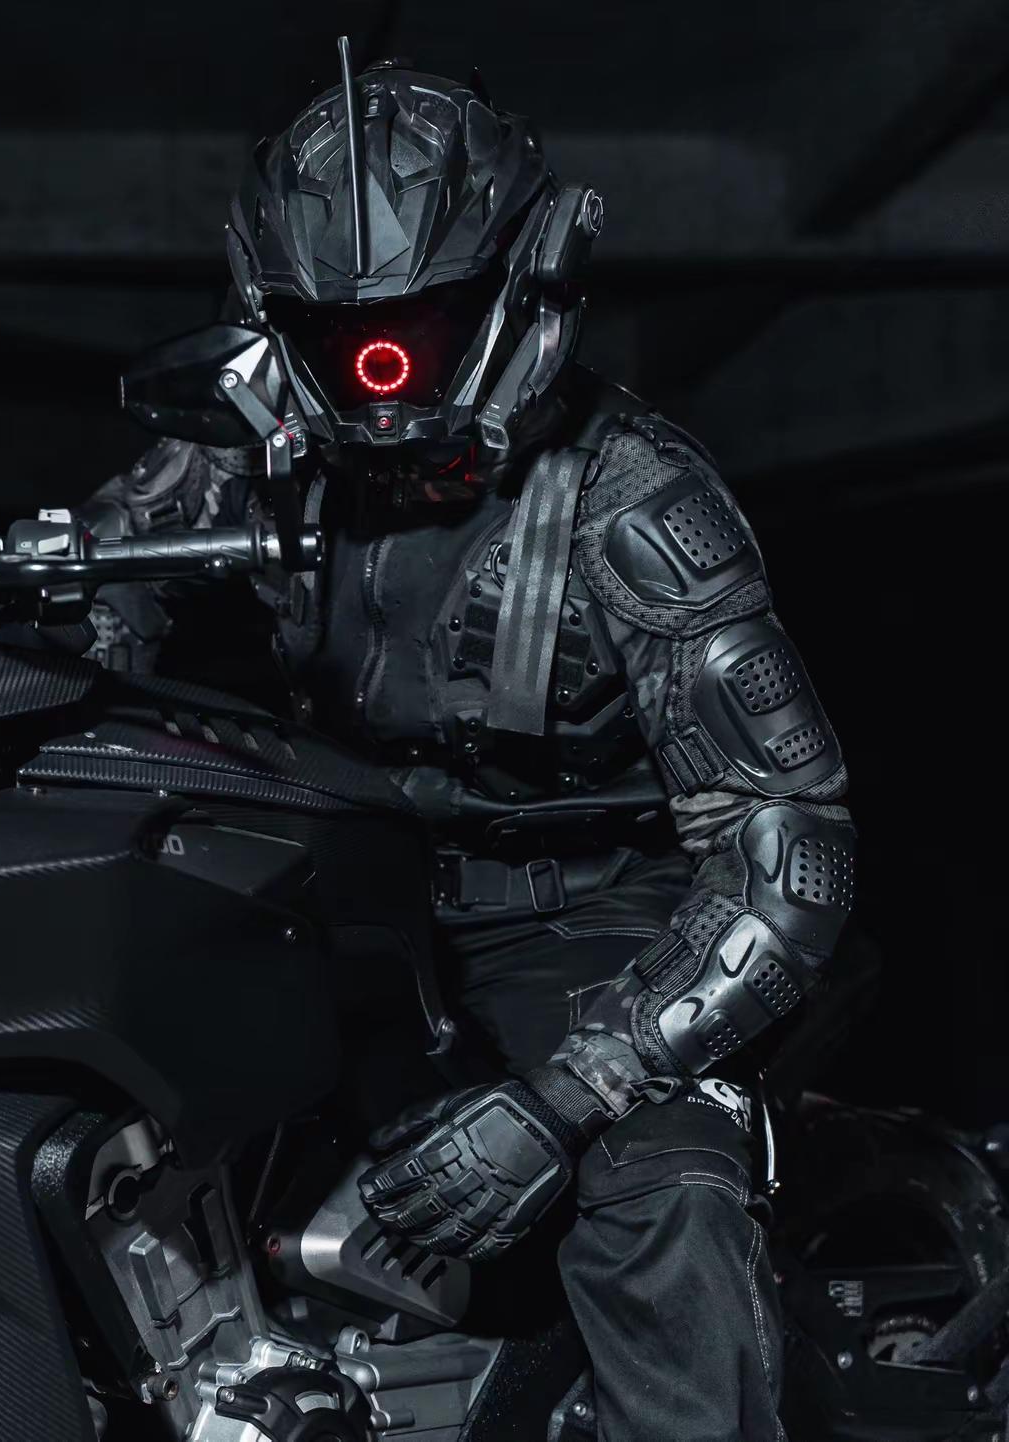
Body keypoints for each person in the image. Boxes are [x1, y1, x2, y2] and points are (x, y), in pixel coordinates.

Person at [80, 53, 852, 1440]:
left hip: (598, 925)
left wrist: (566, 1099)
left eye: (417, 329)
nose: (379, 380)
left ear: (523, 281)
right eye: (337, 338)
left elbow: (787, 857)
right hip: (341, 905)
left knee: (661, 1195)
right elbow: (89, 575)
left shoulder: (635, 503)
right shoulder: (259, 451)